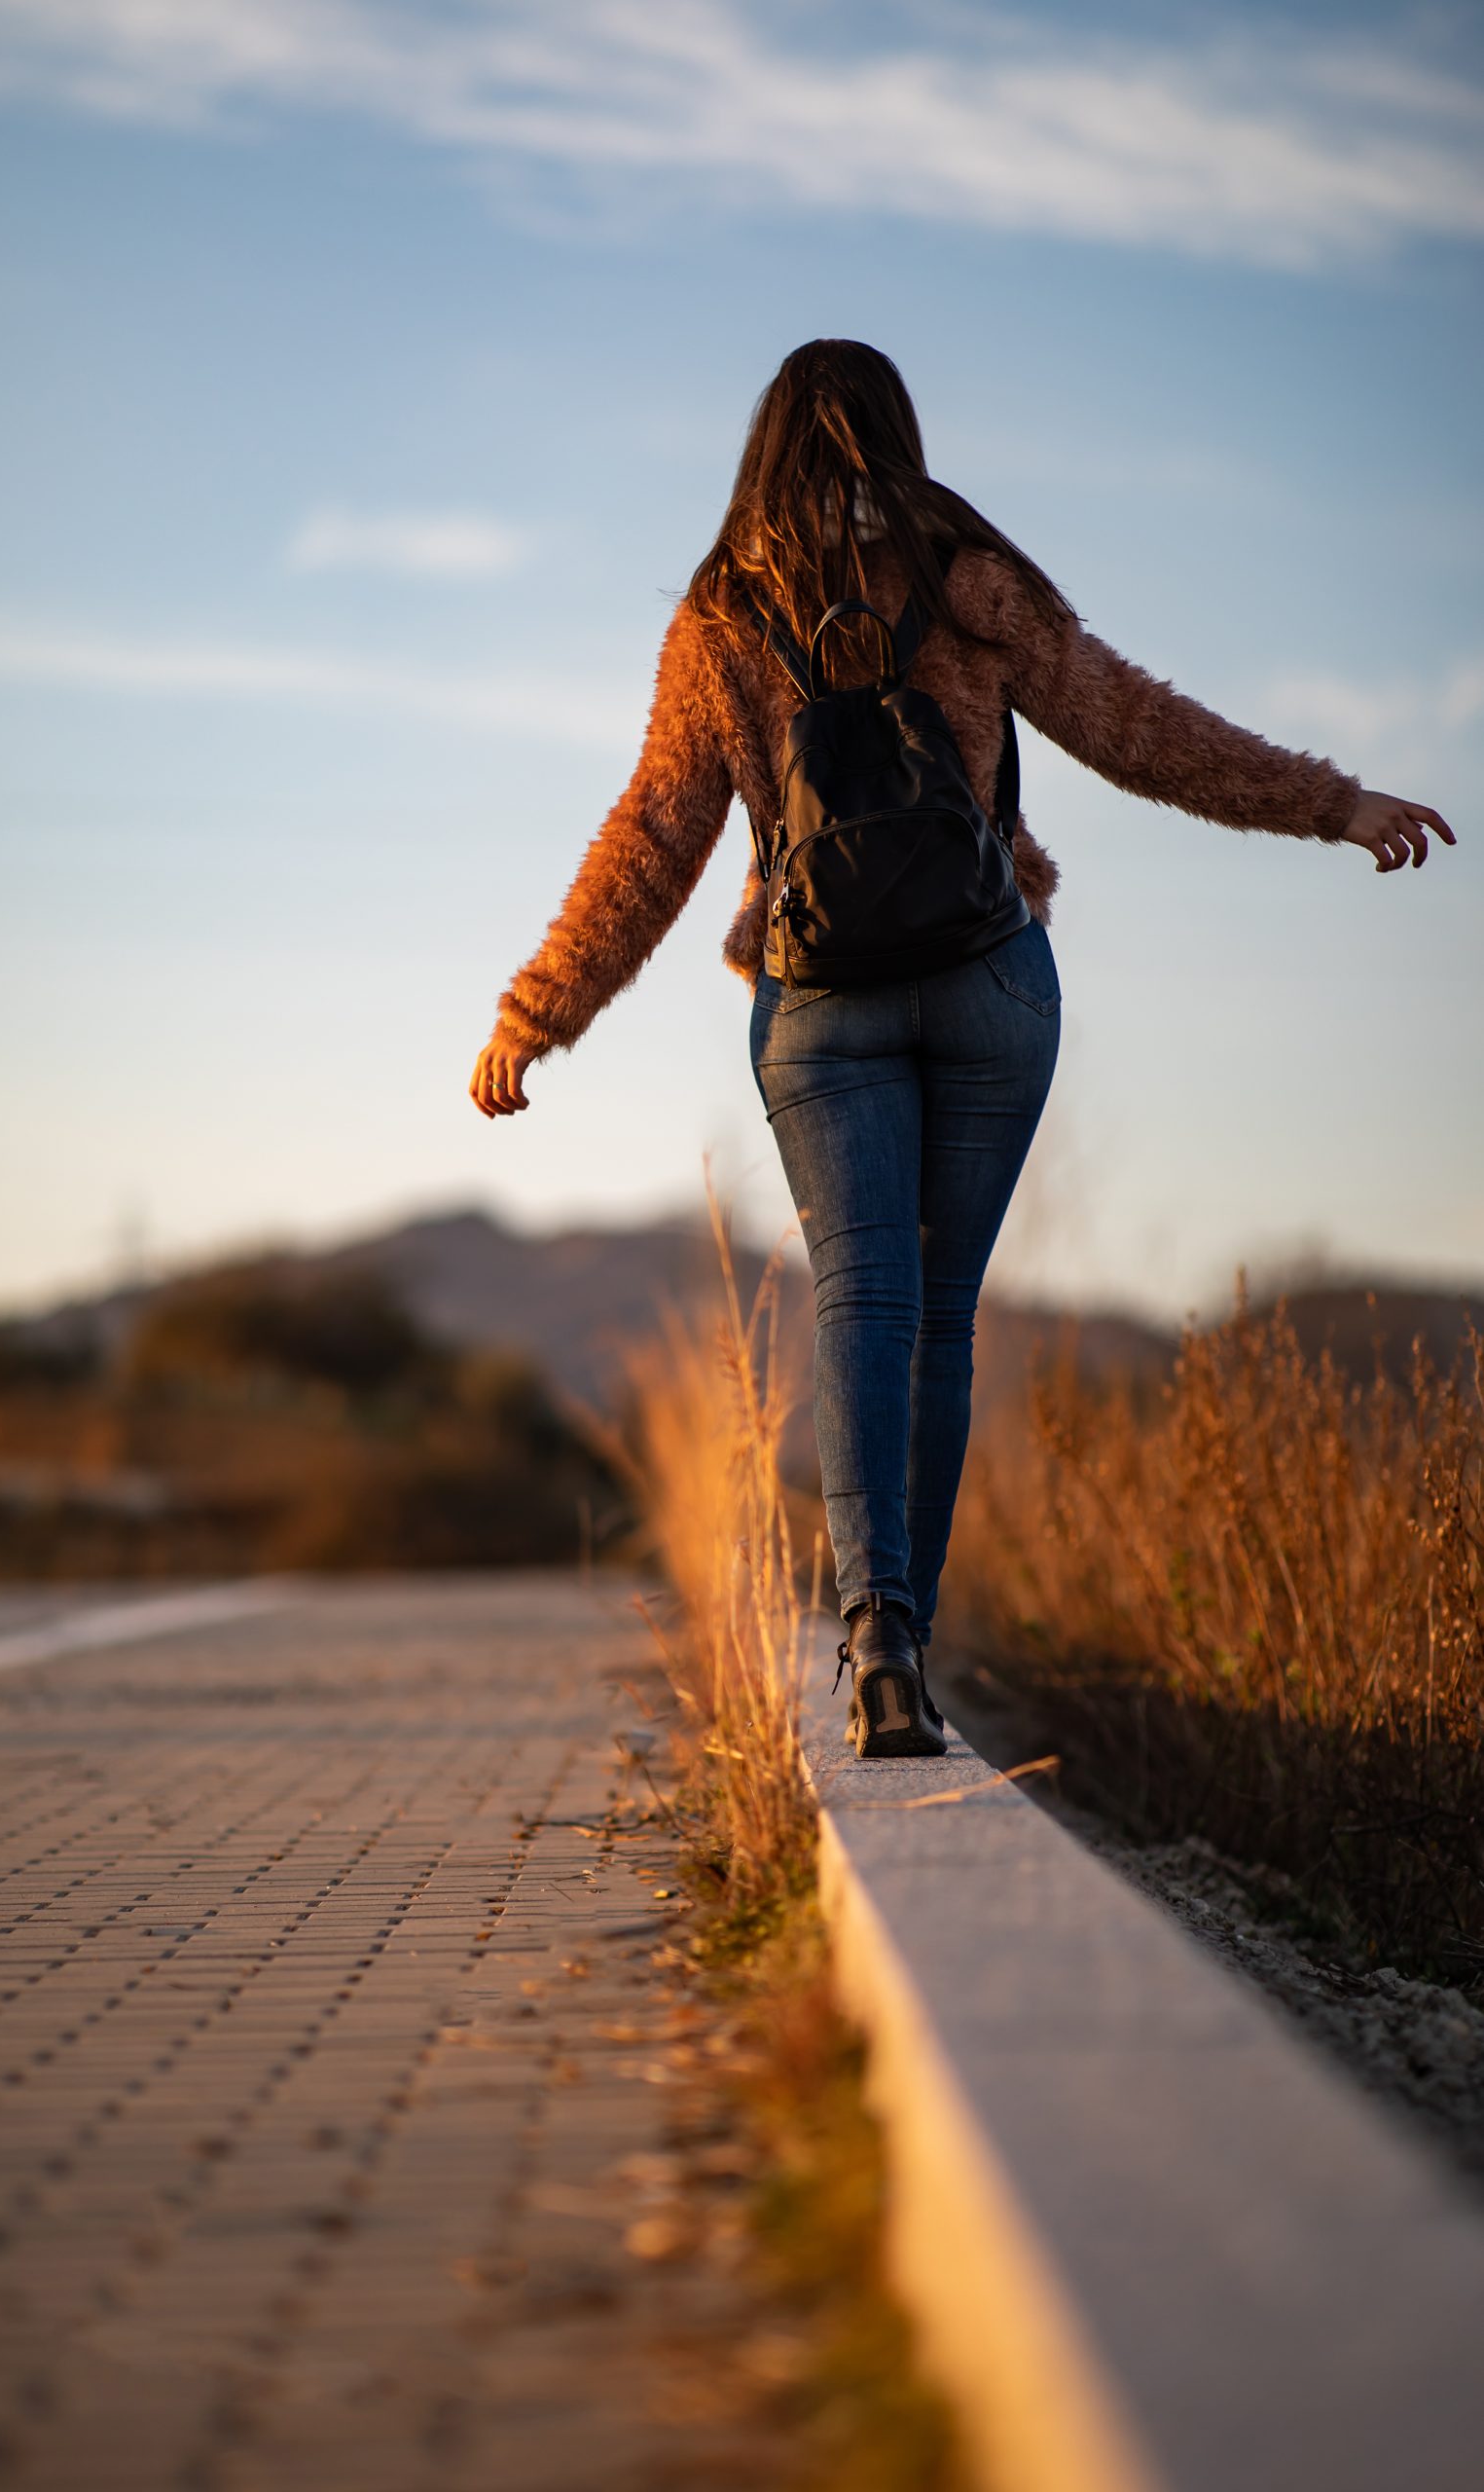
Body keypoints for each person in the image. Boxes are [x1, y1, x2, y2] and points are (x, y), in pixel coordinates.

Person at [469, 339, 1456, 1761]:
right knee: (937, 1316)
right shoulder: (970, 572)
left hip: (820, 1003)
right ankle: (911, 1646)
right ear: (898, 433)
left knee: (861, 1302)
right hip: (992, 982)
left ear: (764, 451)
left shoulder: (725, 611)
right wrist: (1332, 803)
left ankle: (874, 1638)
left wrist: (538, 1008)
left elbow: (657, 831)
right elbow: (1137, 727)